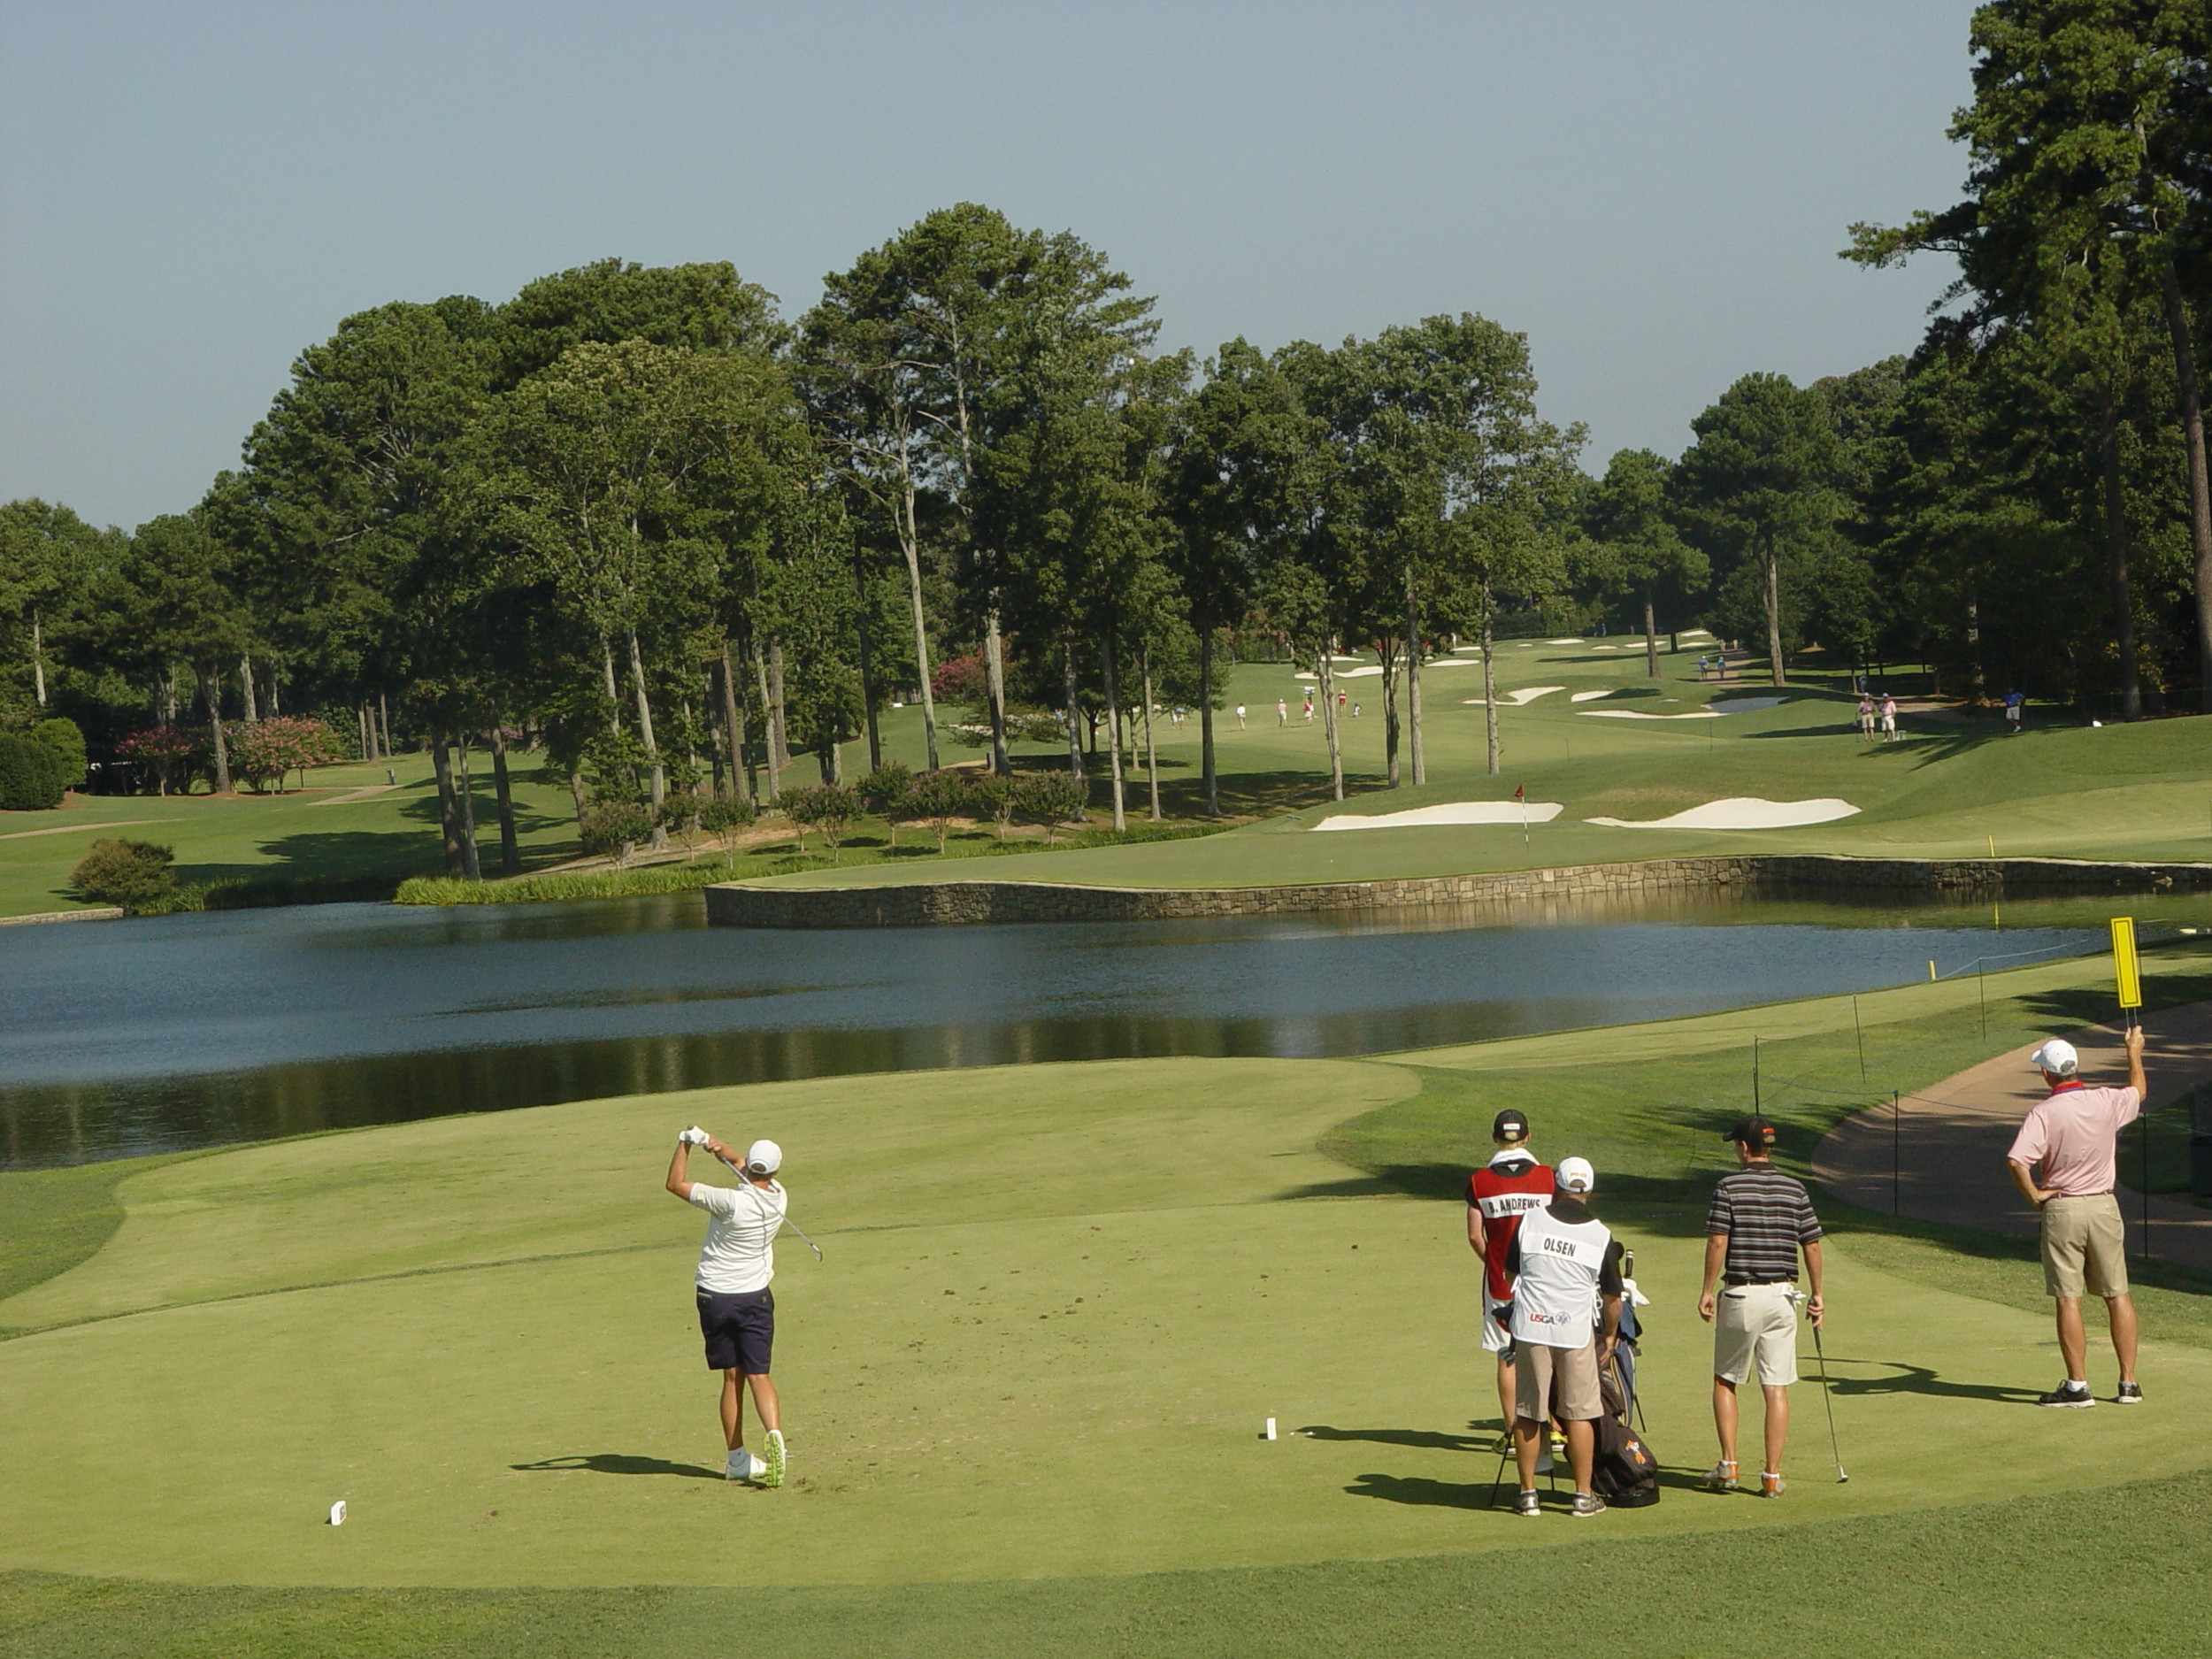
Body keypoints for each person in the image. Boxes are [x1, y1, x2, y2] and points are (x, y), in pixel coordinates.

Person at [2006, 1029, 2146, 1407]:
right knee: (2118, 1295)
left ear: (2047, 1075)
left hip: (2063, 1207)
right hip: (2103, 1206)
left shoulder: (2044, 1112)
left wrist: (2035, 1195)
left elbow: (2017, 1160)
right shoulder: (2104, 1100)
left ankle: (2077, 1387)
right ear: (2074, 1069)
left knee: (2069, 1299)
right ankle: (2128, 1384)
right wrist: (2134, 1051)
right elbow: (2138, 1091)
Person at [1697, 1115, 1824, 1498]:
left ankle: (1729, 1465)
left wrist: (1705, 1289)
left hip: (1741, 1294)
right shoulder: (1794, 1187)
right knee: (1776, 1387)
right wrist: (1818, 1294)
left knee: (1725, 1379)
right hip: (1783, 1296)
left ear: (1743, 1147)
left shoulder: (1728, 1186)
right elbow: (1812, 1245)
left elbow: (1719, 1241)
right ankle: (1771, 1476)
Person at [666, 1127, 791, 1486]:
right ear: (775, 1172)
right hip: (756, 1297)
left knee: (731, 1377)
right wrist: (715, 1146)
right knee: (759, 1375)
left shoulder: (729, 1202)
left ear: (751, 1166)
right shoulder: (780, 1196)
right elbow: (740, 1163)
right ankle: (775, 1434)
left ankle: (737, 1458)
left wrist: (685, 1144)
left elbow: (676, 1184)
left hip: (715, 1298)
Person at [1504, 1156, 1624, 1518]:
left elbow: (1512, 1273)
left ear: (1556, 1185)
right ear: (1589, 1190)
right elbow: (1613, 1298)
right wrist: (1610, 1334)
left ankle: (1528, 1494)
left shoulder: (1531, 1220)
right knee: (1580, 1413)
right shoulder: (1601, 1235)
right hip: (1574, 1331)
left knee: (1528, 1411)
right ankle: (1583, 1496)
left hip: (1532, 1326)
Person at [1467, 1110, 1555, 1450]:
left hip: (1500, 1283)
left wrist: (1495, 1263)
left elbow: (1476, 1237)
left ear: (1495, 1139)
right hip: (1546, 1281)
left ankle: (1513, 1432)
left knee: (1508, 1355)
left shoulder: (1479, 1182)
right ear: (1528, 1138)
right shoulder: (1549, 1178)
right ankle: (1558, 1428)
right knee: (1552, 1352)